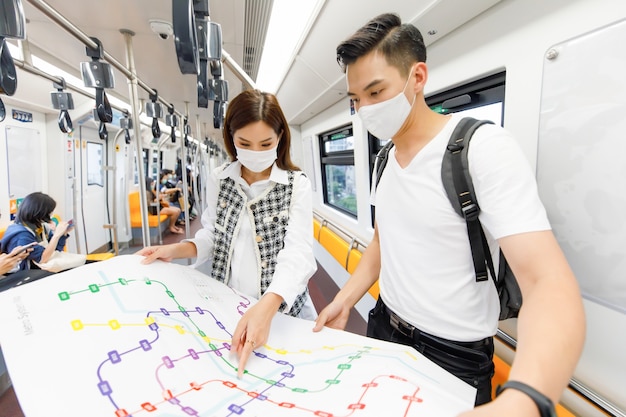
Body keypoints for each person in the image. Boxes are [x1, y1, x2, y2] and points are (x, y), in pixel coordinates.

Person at [312, 13, 585, 416]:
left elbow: (548, 283)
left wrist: (523, 401)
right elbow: (383, 239)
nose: (365, 109)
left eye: (375, 92)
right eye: (356, 100)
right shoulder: (383, 160)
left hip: (454, 355)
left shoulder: (482, 149)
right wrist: (345, 299)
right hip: (384, 326)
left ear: (417, 77)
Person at [138, 89, 317, 379]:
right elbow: (212, 234)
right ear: (231, 138)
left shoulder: (296, 185)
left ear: (281, 138)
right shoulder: (221, 178)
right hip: (228, 299)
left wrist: (267, 307)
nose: (256, 153)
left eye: (265, 143)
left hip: (279, 308)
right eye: (245, 143)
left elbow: (298, 254)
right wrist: (177, 249)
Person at [0, 192, 73, 273]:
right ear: (39, 213)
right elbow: (42, 259)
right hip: (26, 273)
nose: (50, 215)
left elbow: (57, 250)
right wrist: (56, 235)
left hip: (43, 266)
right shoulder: (21, 235)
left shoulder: (41, 226)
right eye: (49, 212)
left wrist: (63, 234)